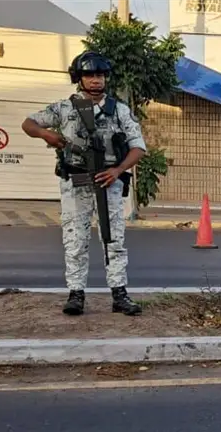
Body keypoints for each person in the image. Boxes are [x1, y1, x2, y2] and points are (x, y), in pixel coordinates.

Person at [21, 51, 146, 316]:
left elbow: (138, 147)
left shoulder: (119, 110)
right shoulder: (64, 108)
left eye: (100, 75)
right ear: (79, 78)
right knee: (75, 240)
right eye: (90, 75)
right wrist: (47, 134)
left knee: (114, 240)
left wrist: (118, 170)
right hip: (75, 182)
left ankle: (119, 294)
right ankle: (76, 294)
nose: (96, 80)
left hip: (108, 181)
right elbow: (28, 123)